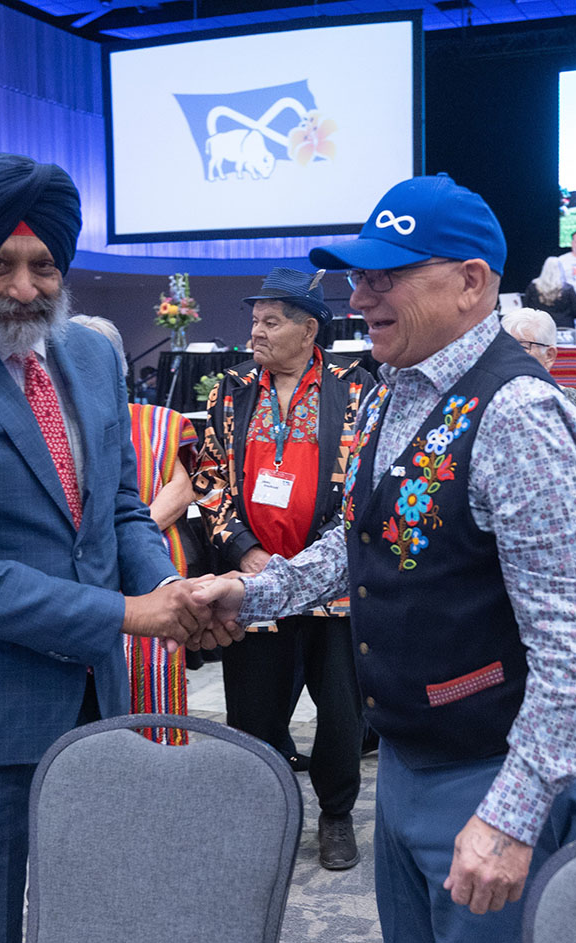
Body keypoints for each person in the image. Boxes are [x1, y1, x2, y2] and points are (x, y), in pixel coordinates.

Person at [195, 174, 576, 943]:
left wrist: (512, 817)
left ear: (470, 282)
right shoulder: (394, 391)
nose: (360, 296)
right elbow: (358, 539)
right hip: (407, 765)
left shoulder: (519, 416)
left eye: (387, 276)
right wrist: (247, 595)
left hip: (495, 775)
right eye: (359, 276)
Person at [0, 154, 228, 943]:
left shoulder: (91, 356)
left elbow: (122, 509)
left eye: (44, 266)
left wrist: (177, 591)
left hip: (95, 707)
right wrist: (134, 611)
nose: (25, 289)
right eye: (0, 265)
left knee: (92, 918)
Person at [193, 267, 374, 870]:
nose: (256, 333)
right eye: (254, 321)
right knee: (253, 709)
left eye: (271, 322)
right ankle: (266, 811)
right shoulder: (233, 388)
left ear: (309, 329)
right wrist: (244, 548)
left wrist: (314, 561)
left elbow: (363, 489)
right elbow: (210, 480)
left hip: (334, 588)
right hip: (252, 584)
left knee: (341, 712)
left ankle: (336, 815)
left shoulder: (357, 389)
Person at [72, 315, 197, 742]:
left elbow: (182, 489)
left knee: (153, 672)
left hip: (147, 560)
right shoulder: (59, 423)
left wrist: (127, 538)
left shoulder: (158, 421)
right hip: (90, 576)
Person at [502, 306, 576, 511]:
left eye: (522, 346)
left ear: (549, 355)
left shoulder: (575, 403)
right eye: (503, 346)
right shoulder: (487, 401)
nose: (508, 355)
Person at [522, 256, 576, 327]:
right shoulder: (568, 288)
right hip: (564, 328)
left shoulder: (533, 286)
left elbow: (525, 308)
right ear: (561, 269)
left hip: (540, 327)